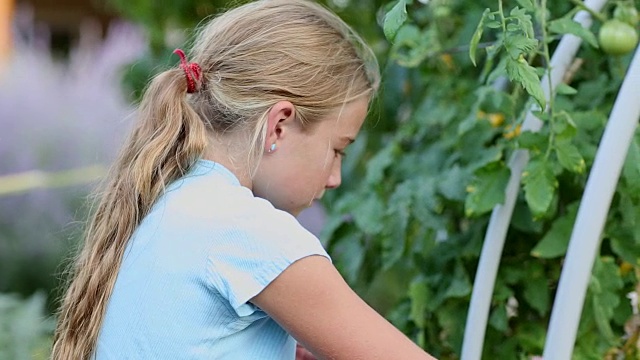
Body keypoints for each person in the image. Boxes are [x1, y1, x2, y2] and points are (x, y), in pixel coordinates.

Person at [52, 0, 436, 359]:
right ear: (279, 125)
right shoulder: (250, 233)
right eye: (338, 148)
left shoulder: (168, 203)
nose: (335, 177)